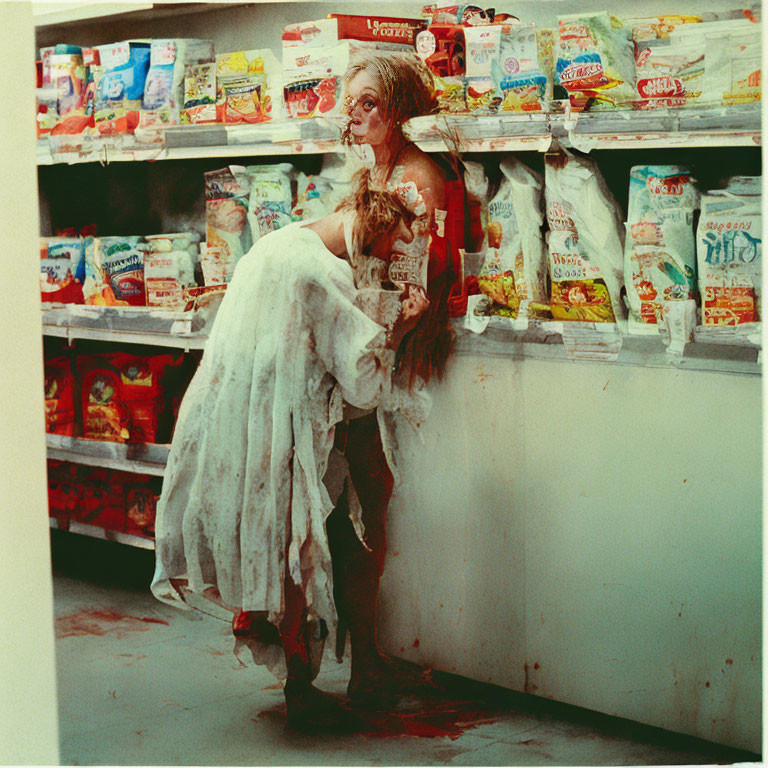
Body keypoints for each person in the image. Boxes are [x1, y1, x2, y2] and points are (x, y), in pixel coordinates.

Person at [151, 181, 429, 731]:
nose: (381, 261)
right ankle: (301, 689)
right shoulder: (324, 274)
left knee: (272, 537)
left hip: (238, 414)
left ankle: (291, 666)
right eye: (384, 247)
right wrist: (402, 326)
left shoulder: (280, 242)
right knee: (296, 545)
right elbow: (360, 383)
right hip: (281, 426)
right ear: (369, 229)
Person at [308, 51, 468, 707]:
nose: (357, 114)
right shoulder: (369, 172)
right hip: (364, 367)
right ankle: (368, 659)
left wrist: (375, 352)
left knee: (372, 513)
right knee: (357, 516)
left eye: (370, 102)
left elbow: (416, 286)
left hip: (390, 370)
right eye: (352, 103)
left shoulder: (416, 177)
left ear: (400, 107)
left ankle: (370, 661)